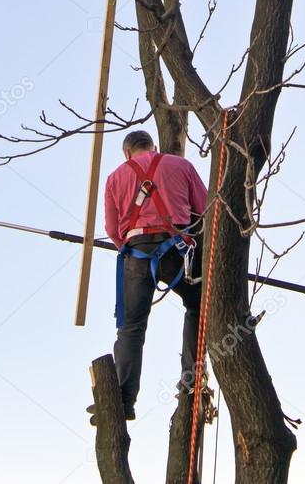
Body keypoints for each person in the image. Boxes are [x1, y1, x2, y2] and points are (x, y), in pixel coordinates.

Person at [102, 129, 208, 420]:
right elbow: (205, 208)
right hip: (178, 251)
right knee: (198, 306)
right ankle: (191, 379)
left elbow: (113, 229)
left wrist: (132, 247)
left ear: (127, 153)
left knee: (131, 327)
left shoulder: (114, 177)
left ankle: (124, 400)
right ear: (154, 146)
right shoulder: (181, 166)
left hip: (136, 252)